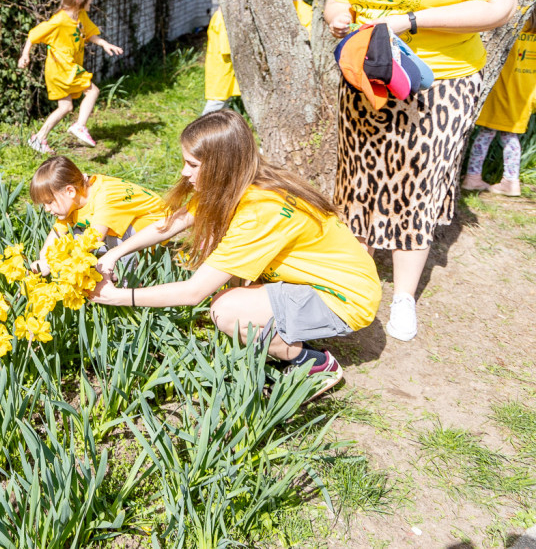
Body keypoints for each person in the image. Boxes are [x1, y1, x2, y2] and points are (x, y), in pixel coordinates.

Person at [323, 0, 517, 342]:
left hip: (438, 86)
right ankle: (354, 282)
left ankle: (404, 297)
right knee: (358, 182)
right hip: (369, 79)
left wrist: (407, 21)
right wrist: (339, 16)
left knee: (416, 186)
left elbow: (497, 6)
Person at [91, 111, 382, 399]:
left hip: (344, 298)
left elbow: (194, 292)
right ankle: (286, 327)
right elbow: (172, 223)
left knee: (226, 311)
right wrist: (116, 252)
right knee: (229, 283)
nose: (184, 172)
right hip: (331, 278)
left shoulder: (260, 211)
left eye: (192, 164)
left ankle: (314, 364)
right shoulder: (246, 181)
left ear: (222, 164)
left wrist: (114, 297)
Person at [18, 0, 123, 153]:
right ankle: (80, 126)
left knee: (65, 107)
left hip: (62, 69)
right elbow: (34, 35)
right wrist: (25, 54)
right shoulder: (59, 21)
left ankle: (39, 138)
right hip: (62, 68)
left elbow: (89, 34)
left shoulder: (80, 16)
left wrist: (104, 44)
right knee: (93, 91)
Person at [29, 155, 168, 276]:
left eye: (49, 202)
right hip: (132, 226)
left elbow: (94, 239)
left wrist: (54, 263)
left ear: (70, 191)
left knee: (112, 235)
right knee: (73, 236)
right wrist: (43, 262)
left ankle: (128, 281)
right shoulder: (74, 200)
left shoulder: (105, 197)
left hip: (158, 227)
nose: (46, 209)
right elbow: (56, 235)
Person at [462, 10, 535, 197]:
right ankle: (511, 180)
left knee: (486, 132)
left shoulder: (517, 19)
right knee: (510, 135)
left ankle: (473, 177)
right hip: (524, 91)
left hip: (502, 87)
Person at [201, 7, 240, 116]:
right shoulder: (223, 19)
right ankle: (200, 131)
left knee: (222, 105)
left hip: (220, 68)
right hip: (222, 70)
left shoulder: (219, 16)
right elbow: (227, 48)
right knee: (215, 105)